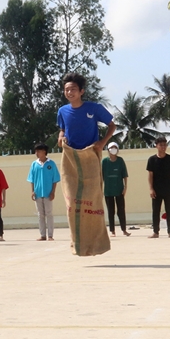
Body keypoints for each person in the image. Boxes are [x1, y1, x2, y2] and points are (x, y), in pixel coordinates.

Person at [57, 72, 116, 256]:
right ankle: (78, 245)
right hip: (71, 159)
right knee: (73, 203)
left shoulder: (94, 108)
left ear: (81, 91)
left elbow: (112, 125)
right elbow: (62, 130)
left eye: (73, 89)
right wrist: (60, 138)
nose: (69, 92)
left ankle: (97, 244)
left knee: (93, 200)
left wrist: (102, 143)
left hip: (90, 156)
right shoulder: (62, 111)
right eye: (66, 89)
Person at [147, 137, 170, 238]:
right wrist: (151, 188)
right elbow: (150, 175)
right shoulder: (152, 160)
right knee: (155, 211)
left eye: (165, 145)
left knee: (169, 210)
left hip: (168, 188)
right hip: (156, 190)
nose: (163, 147)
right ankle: (155, 232)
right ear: (156, 146)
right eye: (161, 145)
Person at [27, 144, 61, 241]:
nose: (36, 153)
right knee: (40, 214)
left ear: (44, 151)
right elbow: (32, 179)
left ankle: (50, 235)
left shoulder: (51, 164)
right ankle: (42, 235)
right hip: (37, 193)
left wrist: (53, 192)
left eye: (38, 151)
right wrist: (32, 191)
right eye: (36, 151)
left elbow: (55, 179)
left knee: (49, 214)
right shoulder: (34, 164)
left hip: (48, 192)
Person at [102, 142, 130, 237]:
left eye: (115, 147)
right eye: (111, 148)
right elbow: (100, 176)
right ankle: (112, 231)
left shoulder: (120, 161)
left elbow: (125, 175)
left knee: (121, 210)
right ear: (108, 149)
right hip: (108, 191)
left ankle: (124, 230)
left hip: (119, 190)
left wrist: (125, 187)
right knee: (111, 211)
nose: (113, 149)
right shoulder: (104, 162)